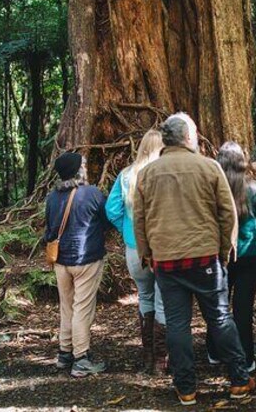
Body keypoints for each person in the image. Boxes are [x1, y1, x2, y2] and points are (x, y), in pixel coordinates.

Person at [133, 113, 256, 405]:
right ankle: (239, 380)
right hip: (205, 260)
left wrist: (146, 254)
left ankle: (186, 388)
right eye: (196, 132)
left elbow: (139, 220)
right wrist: (226, 250)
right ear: (188, 137)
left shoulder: (147, 173)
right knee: (220, 318)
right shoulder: (209, 167)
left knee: (177, 324)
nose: (198, 137)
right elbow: (228, 213)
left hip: (166, 261)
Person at [106, 129, 167, 374]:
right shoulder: (163, 174)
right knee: (163, 300)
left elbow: (112, 210)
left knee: (145, 296)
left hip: (134, 249)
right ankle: (162, 362)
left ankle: (148, 356)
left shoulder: (126, 175)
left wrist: (128, 231)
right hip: (162, 248)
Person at [206, 142, 256, 373]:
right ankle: (246, 359)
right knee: (242, 307)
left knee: (218, 304)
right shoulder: (255, 189)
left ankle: (214, 352)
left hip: (222, 254)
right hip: (252, 253)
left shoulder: (212, 189)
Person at [44, 151, 109, 377]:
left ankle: (65, 353)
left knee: (67, 307)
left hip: (61, 261)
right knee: (82, 308)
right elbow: (107, 220)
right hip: (86, 259)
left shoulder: (52, 197)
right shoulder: (92, 194)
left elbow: (48, 229)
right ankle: (81, 358)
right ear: (78, 170)